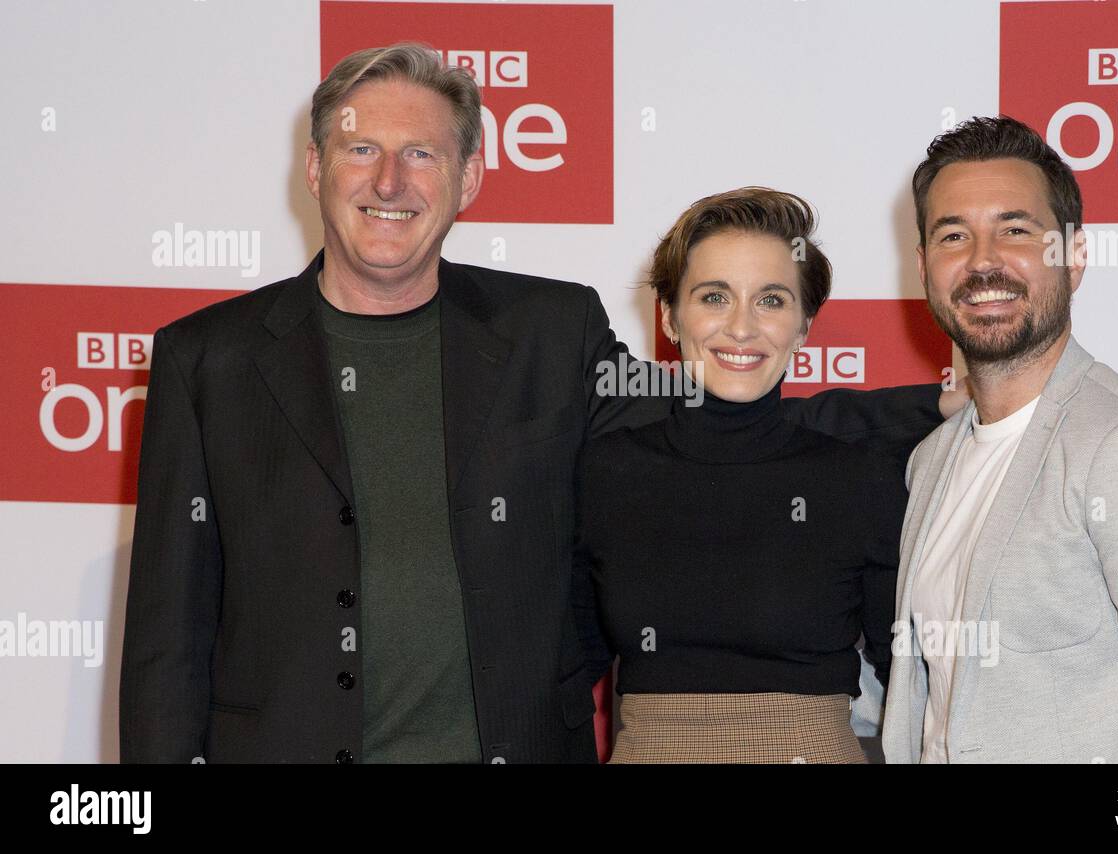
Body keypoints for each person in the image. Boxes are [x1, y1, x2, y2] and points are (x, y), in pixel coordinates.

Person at [119, 43, 956, 763]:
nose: (389, 181)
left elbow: (712, 415)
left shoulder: (549, 330)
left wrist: (954, 402)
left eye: (422, 154)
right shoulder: (207, 359)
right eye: (360, 149)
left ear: (470, 177)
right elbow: (166, 641)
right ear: (313, 168)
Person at [882, 115, 1118, 763]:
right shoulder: (931, 459)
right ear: (923, 266)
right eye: (952, 235)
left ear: (1075, 255)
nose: (983, 261)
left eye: (1016, 229)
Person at [572, 188, 947, 763]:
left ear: (804, 325)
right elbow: (563, 672)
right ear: (670, 316)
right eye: (714, 297)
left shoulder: (862, 479)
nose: (741, 327)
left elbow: (912, 685)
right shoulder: (605, 473)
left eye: (771, 300)